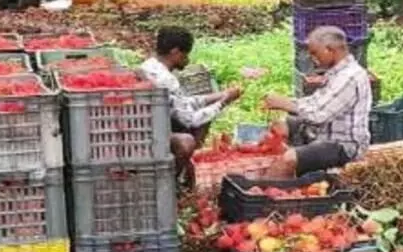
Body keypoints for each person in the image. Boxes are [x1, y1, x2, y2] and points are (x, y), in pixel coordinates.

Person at [261, 26, 372, 176]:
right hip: (322, 134)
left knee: (288, 159)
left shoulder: (349, 77)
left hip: (342, 146)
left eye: (315, 53)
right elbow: (314, 102)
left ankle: (270, 192)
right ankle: (280, 169)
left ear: (330, 50)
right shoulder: (335, 73)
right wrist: (286, 102)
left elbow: (319, 115)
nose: (312, 59)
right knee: (280, 126)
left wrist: (285, 104)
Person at [139, 27, 243, 181]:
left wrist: (218, 96)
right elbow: (190, 119)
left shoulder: (148, 66)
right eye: (185, 54)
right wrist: (224, 102)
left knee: (204, 115)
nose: (187, 60)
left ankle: (187, 173)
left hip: (152, 125)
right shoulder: (166, 79)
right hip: (151, 134)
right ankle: (172, 181)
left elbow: (181, 103)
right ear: (175, 52)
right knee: (198, 127)